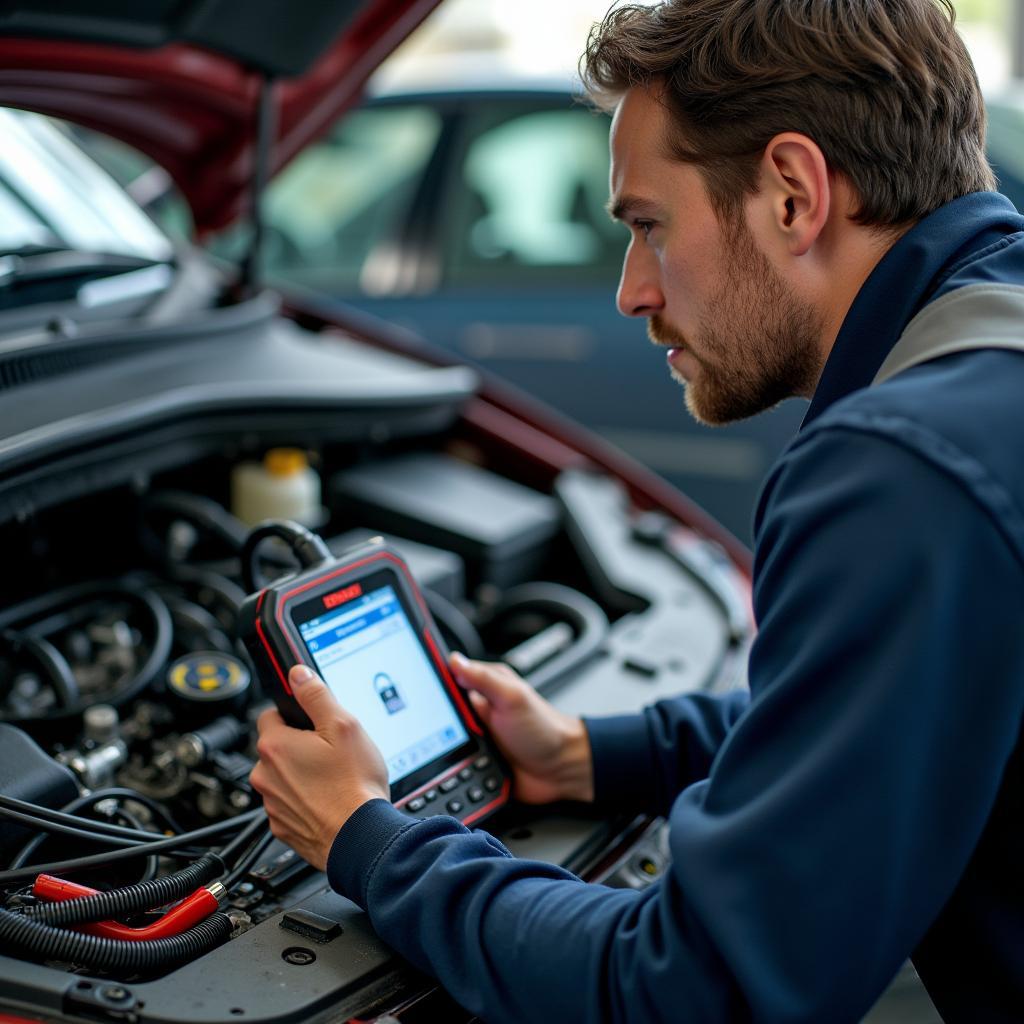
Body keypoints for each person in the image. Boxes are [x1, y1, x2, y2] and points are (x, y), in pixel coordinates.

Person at [250, 1, 1024, 1020]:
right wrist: (594, 753)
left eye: (648, 226)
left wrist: (370, 836)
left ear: (792, 194)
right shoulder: (981, 377)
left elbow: (695, 989)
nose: (630, 289)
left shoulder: (896, 472)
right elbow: (899, 718)